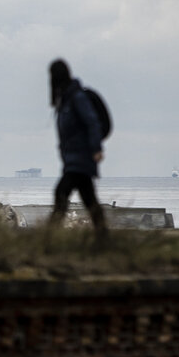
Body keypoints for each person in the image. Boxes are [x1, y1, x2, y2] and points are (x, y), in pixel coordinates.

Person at [47, 59, 108, 243]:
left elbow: (92, 122)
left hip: (80, 159)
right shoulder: (65, 100)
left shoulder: (76, 97)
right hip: (73, 160)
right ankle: (104, 238)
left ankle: (48, 239)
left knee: (61, 192)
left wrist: (96, 149)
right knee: (90, 200)